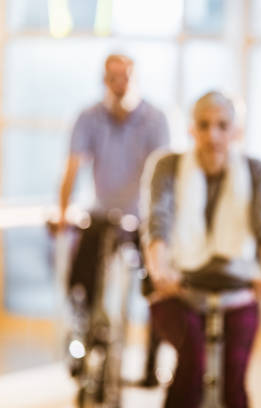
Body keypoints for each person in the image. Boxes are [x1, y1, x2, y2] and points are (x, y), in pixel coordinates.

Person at [139, 91, 261, 408]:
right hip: (179, 290)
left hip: (238, 290)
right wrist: (160, 271)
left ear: (236, 130)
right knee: (192, 366)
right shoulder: (167, 166)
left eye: (222, 125)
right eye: (203, 125)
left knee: (234, 383)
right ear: (191, 129)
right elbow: (157, 223)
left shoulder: (256, 171)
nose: (212, 135)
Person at [57, 54, 169, 379]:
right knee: (80, 279)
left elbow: (160, 177)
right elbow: (72, 169)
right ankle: (81, 337)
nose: (119, 84)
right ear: (104, 80)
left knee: (158, 283)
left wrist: (161, 223)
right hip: (102, 214)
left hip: (142, 218)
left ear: (135, 78)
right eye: (112, 77)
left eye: (125, 76)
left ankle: (151, 360)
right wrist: (63, 215)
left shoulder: (155, 119)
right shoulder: (88, 117)